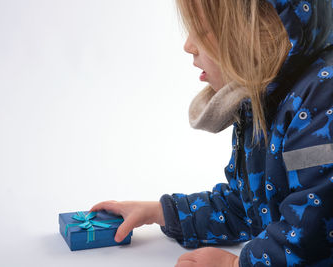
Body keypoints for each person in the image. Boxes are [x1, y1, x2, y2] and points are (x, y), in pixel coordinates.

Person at [90, 0, 333, 266]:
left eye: (203, 31)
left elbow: (314, 229)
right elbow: (246, 207)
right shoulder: (264, 97)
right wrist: (161, 213)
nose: (188, 46)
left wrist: (233, 264)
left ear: (263, 30)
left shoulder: (321, 100)